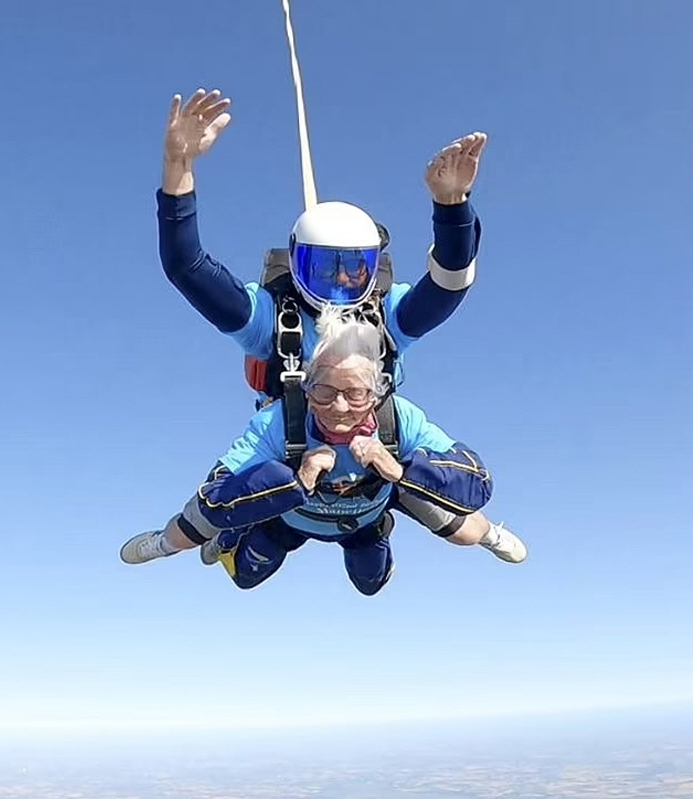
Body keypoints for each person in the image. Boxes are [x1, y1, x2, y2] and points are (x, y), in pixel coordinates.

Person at [157, 87, 495, 547]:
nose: (338, 286)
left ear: (373, 267)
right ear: (295, 262)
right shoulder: (273, 317)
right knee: (255, 562)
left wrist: (453, 206)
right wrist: (179, 168)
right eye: (322, 268)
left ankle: (384, 523)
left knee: (388, 564)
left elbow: (450, 284)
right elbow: (187, 268)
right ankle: (246, 531)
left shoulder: (384, 314)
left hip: (375, 458)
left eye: (353, 270)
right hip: (297, 456)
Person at [120, 309, 527, 595]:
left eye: (356, 393)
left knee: (380, 577)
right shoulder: (280, 420)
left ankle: (491, 535)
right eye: (324, 392)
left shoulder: (399, 420)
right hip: (290, 514)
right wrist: (293, 480)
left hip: (365, 515)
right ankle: (172, 543)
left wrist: (401, 470)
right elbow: (210, 498)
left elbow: (475, 482)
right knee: (242, 573)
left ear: (378, 391)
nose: (339, 408)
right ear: (305, 387)